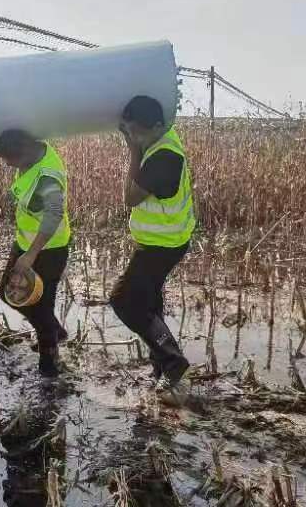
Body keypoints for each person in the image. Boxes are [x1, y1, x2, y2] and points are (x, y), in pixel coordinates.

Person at [111, 95, 195, 404]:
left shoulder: (164, 158)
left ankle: (173, 361)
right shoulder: (160, 140)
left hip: (164, 244)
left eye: (139, 132)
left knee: (123, 301)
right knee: (148, 302)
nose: (134, 137)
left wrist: (133, 151)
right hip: (162, 240)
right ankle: (161, 366)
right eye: (130, 131)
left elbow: (130, 197)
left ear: (159, 126)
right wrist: (136, 139)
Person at [0, 130, 71, 378]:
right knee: (7, 293)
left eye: (11, 161)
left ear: (25, 152)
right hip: (25, 242)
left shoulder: (47, 178)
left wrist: (31, 255)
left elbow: (54, 215)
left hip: (48, 250)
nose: (9, 166)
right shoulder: (32, 149)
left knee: (41, 308)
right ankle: (54, 331)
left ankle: (49, 368)